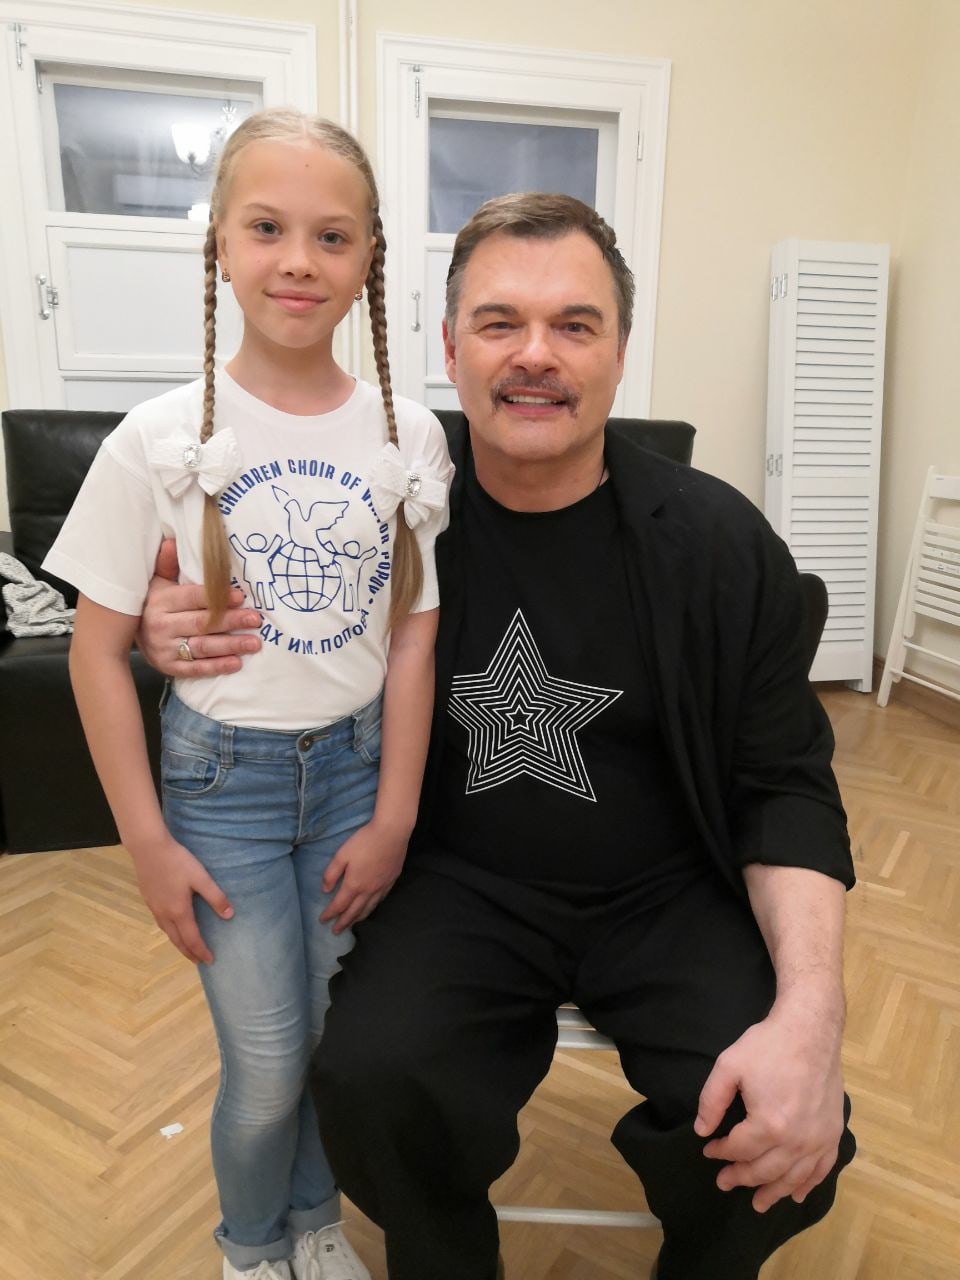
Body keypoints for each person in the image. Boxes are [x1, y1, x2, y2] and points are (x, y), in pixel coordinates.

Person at [137, 193, 856, 1280]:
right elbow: (271, 642)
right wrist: (176, 628)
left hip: (671, 891)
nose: (535, 355)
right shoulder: (379, 519)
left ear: (621, 349)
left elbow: (787, 786)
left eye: (575, 324)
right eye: (499, 322)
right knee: (371, 1080)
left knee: (792, 1125)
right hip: (456, 884)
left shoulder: (720, 543)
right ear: (449, 346)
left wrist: (813, 1016)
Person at [43, 109, 452, 1280]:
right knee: (268, 1061)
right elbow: (93, 652)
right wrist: (146, 844)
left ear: (368, 259)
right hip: (223, 789)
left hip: (355, 779)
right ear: (220, 243)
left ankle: (315, 1220)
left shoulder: (412, 434)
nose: (298, 261)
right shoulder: (154, 438)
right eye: (267, 227)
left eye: (333, 236)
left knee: (328, 1039)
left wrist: (396, 813)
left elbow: (412, 636)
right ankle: (250, 1245)